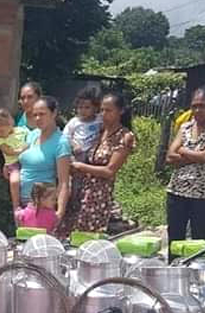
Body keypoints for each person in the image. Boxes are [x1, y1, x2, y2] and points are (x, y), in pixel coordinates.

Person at [56, 93, 136, 236]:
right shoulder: (99, 130)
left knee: (85, 234)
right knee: (67, 231)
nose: (104, 114)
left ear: (121, 111)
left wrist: (81, 167)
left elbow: (110, 171)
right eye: (102, 110)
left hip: (98, 194)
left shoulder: (124, 137)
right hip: (80, 188)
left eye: (109, 110)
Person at [164, 85, 205, 254]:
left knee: (201, 242)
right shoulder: (185, 127)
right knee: (175, 240)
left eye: (202, 106)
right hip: (177, 191)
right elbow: (170, 157)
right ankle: (174, 269)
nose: (197, 110)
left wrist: (183, 151)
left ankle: (199, 271)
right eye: (194, 106)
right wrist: (199, 155)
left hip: (204, 195)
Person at [17, 96, 71, 220]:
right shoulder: (32, 135)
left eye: (42, 114)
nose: (38, 118)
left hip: (43, 206)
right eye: (35, 115)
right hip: (23, 205)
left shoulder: (61, 143)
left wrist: (59, 212)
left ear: (54, 113)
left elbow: (63, 182)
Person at [0, 108, 29, 212]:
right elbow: (9, 151)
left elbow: (32, 138)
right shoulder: (0, 139)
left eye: (2, 130)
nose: (0, 133)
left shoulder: (22, 130)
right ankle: (16, 205)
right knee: (14, 181)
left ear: (10, 124)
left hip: (26, 161)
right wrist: (23, 149)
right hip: (13, 164)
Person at [63, 88, 103, 163]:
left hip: (94, 150)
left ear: (95, 108)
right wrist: (74, 145)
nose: (83, 111)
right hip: (78, 151)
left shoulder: (99, 119)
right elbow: (66, 136)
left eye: (87, 107)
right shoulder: (74, 122)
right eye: (80, 107)